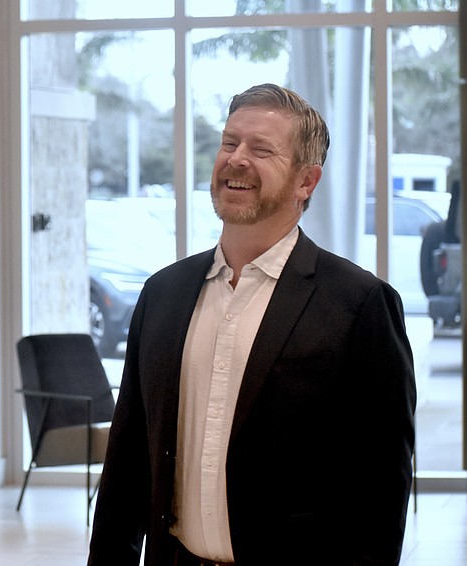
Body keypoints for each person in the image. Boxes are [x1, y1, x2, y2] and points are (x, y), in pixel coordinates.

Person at [87, 83, 416, 566]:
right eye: (229, 143)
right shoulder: (163, 294)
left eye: (261, 150)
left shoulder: (360, 303)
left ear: (307, 181)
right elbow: (129, 457)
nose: (236, 159)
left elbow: (381, 489)